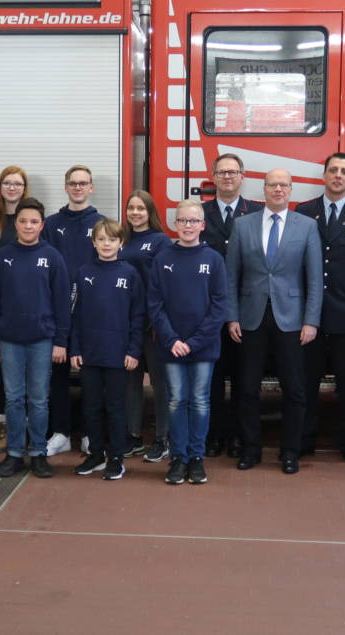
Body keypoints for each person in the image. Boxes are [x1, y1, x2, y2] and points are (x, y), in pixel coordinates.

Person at [225, 169, 322, 474]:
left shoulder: (306, 226)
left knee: (294, 390)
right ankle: (251, 449)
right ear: (263, 189)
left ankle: (290, 451)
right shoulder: (242, 225)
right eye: (272, 185)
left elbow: (315, 279)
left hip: (292, 321)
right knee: (247, 389)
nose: (278, 189)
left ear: (291, 190)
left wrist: (311, 321)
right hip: (250, 319)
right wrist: (232, 316)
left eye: (284, 185)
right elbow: (231, 277)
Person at [295, 152, 345, 467]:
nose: (338, 176)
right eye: (333, 170)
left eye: (344, 171)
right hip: (311, 314)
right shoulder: (304, 212)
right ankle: (304, 440)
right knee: (307, 381)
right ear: (324, 175)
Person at [0, 197, 70, 479]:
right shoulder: (3, 256)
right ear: (16, 224)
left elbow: (61, 303)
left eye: (34, 221)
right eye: (23, 221)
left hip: (43, 340)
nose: (28, 226)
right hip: (9, 340)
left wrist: (61, 341)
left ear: (42, 225)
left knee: (40, 399)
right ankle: (15, 453)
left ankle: (39, 454)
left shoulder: (53, 257)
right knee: (14, 399)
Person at [149, 199, 228, 485]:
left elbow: (219, 306)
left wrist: (194, 343)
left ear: (202, 226)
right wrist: (172, 339)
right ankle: (178, 458)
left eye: (193, 221)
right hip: (171, 347)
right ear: (175, 224)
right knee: (175, 401)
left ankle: (196, 458)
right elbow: (154, 303)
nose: (188, 226)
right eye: (182, 220)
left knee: (199, 401)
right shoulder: (162, 258)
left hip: (202, 347)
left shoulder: (214, 260)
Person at [70, 219, 145, 480]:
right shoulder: (83, 272)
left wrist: (134, 351)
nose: (106, 244)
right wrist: (75, 348)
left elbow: (138, 316)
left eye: (112, 239)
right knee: (90, 406)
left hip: (118, 354)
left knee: (115, 406)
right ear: (94, 242)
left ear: (121, 243)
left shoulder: (130, 274)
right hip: (90, 353)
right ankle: (96, 454)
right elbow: (76, 315)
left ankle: (116, 457)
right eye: (101, 239)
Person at [200, 153, 262, 458]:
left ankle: (238, 436)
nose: (227, 177)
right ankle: (213, 436)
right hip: (209, 311)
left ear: (242, 176)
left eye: (233, 172)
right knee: (211, 378)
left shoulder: (259, 213)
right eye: (222, 172)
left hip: (248, 308)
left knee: (243, 378)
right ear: (212, 176)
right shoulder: (198, 214)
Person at [42, 165, 104, 456]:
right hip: (57, 313)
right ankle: (61, 433)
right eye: (73, 183)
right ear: (65, 187)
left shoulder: (103, 224)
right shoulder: (51, 224)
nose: (78, 188)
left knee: (92, 377)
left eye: (83, 183)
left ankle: (91, 433)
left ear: (91, 187)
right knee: (58, 376)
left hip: (91, 316)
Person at [0, 165, 30, 454]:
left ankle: (24, 426)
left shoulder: (31, 219)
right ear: (0, 188)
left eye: (18, 184)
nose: (12, 188)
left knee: (28, 373)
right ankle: (2, 425)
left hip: (27, 307)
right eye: (7, 183)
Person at [120, 190, 173, 462]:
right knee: (130, 382)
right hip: (127, 325)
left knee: (160, 383)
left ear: (149, 212)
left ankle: (163, 438)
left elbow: (163, 284)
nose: (135, 213)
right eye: (131, 208)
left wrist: (157, 320)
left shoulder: (160, 241)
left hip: (152, 324)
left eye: (141, 208)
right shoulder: (121, 239)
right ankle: (133, 436)